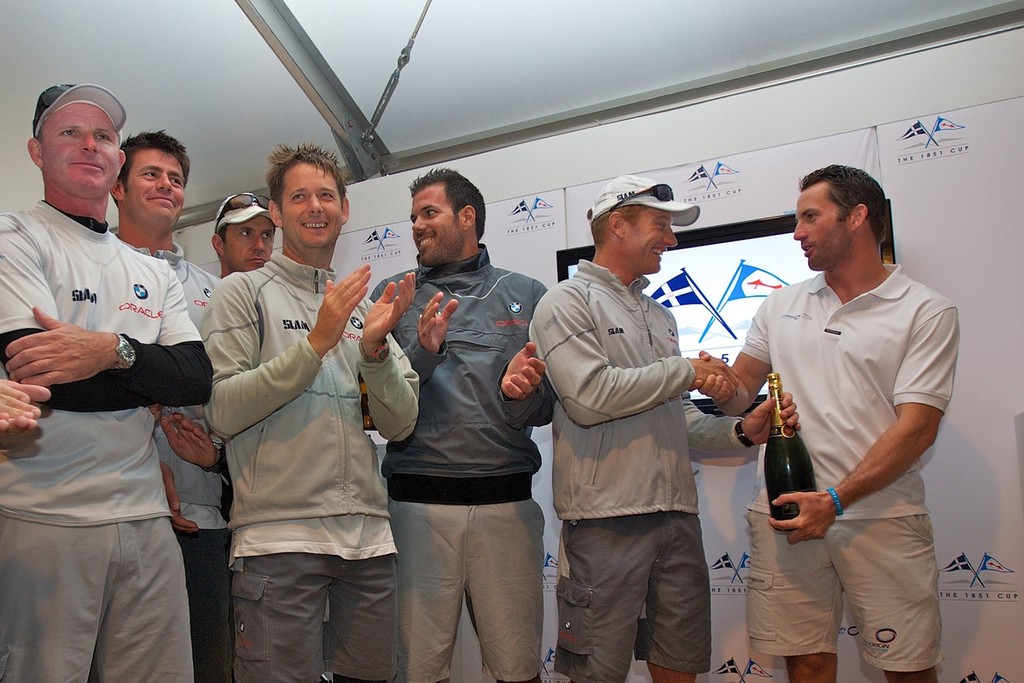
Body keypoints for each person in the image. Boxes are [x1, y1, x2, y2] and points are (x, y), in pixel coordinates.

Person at [521, 174, 795, 683]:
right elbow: (588, 397)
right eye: (660, 226)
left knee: (680, 662)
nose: (671, 240)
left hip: (677, 518)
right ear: (618, 226)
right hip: (606, 521)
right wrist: (687, 370)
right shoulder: (565, 301)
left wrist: (741, 432)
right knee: (594, 674)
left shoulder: (659, 314)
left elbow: (679, 417)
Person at [715, 165, 959, 683]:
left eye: (810, 217)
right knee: (805, 662)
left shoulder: (926, 310)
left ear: (858, 217)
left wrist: (836, 500)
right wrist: (717, 383)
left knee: (908, 667)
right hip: (785, 516)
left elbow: (917, 428)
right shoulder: (779, 303)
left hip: (882, 518)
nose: (797, 232)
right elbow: (739, 392)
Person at [0, 84, 211, 681]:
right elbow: (40, 376)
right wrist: (145, 370)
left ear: (116, 160)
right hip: (44, 517)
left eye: (104, 136)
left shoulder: (149, 268)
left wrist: (109, 351)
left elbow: (195, 378)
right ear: (37, 151)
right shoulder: (15, 237)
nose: (89, 144)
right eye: (69, 132)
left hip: (146, 520)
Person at [201, 142, 419, 683]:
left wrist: (373, 354)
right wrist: (316, 343)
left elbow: (400, 422)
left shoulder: (365, 307)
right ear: (276, 213)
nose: (315, 207)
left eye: (326, 195)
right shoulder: (241, 295)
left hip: (368, 540)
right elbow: (222, 411)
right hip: (278, 540)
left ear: (345, 208)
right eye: (299, 196)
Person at [371, 167, 553, 683]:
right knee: (419, 672)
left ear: (467, 217)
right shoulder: (392, 295)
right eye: (412, 217)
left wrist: (523, 393)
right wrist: (422, 353)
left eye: (429, 213)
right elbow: (376, 406)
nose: (416, 226)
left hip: (507, 511)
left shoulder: (528, 294)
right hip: (416, 511)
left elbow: (548, 408)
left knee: (518, 670)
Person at [112, 131, 250, 683]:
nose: (166, 185)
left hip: (200, 517)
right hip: (115, 506)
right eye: (150, 174)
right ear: (117, 187)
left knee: (206, 664)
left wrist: (215, 456)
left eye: (175, 178)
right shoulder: (93, 270)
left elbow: (226, 393)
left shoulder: (215, 292)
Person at [212, 192, 277, 277]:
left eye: (266, 235)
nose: (260, 246)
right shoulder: (204, 289)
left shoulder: (285, 289)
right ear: (219, 244)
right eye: (246, 233)